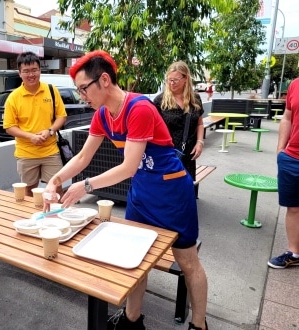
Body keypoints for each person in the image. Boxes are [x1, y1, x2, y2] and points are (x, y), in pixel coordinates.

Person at [42, 50, 208, 330]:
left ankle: (199, 324)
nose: (82, 96)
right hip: (142, 194)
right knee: (135, 259)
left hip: (172, 194)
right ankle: (132, 321)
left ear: (104, 80)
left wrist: (85, 185)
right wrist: (54, 181)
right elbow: (83, 158)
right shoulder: (103, 115)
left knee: (187, 261)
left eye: (84, 89)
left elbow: (129, 167)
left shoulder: (139, 108)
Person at [4, 51, 67, 197]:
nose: (31, 74)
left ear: (40, 70)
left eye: (34, 70)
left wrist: (50, 131)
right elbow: (9, 127)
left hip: (50, 151)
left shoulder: (51, 91)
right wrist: (30, 137)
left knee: (57, 189)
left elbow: (61, 117)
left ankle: (58, 217)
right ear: (20, 73)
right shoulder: (13, 98)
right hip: (26, 153)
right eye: (26, 71)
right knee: (29, 192)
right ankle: (33, 219)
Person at [154, 61, 205, 183]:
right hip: (167, 155)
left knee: (186, 188)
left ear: (185, 79)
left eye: (175, 80)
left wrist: (200, 142)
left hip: (188, 154)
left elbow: (200, 123)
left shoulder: (195, 99)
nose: (171, 83)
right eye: (169, 80)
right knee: (169, 189)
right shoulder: (159, 101)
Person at [268, 77, 299, 269]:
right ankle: (294, 252)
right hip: (292, 158)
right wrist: (281, 149)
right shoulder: (295, 84)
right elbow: (287, 117)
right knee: (293, 207)